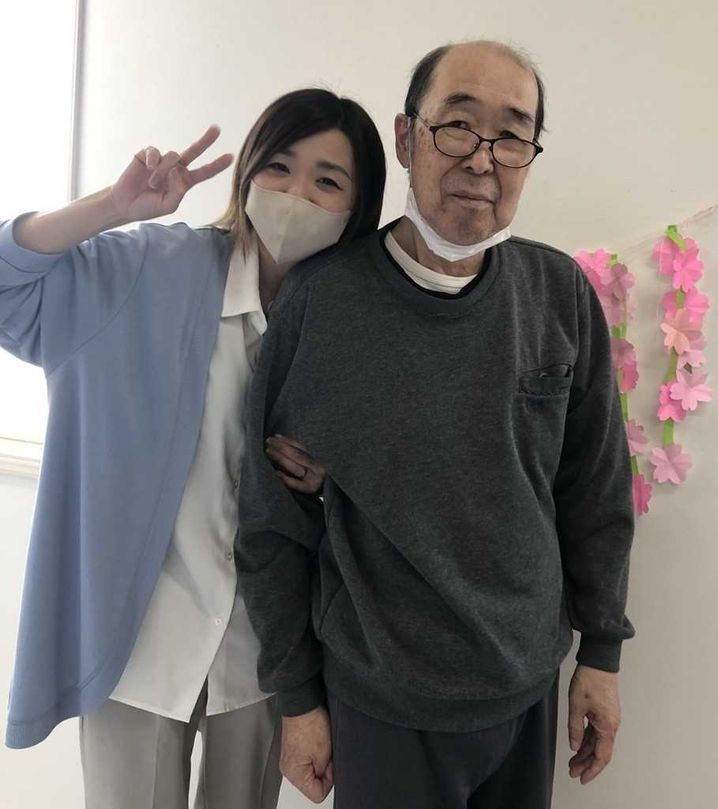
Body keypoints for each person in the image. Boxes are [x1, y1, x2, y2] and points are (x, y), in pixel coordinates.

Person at [237, 41, 634, 808]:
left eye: (512, 135)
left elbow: (595, 490)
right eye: (458, 124)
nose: (482, 158)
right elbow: (270, 520)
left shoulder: (558, 294)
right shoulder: (324, 302)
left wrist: (603, 651)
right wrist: (296, 697)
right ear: (406, 136)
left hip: (527, 688)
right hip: (381, 702)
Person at [0, 88, 386, 809]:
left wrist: (332, 481)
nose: (296, 194)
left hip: (268, 653)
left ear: (356, 209)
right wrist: (111, 208)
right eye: (279, 167)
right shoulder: (149, 269)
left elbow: (385, 481)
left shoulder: (353, 330)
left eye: (328, 180)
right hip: (139, 645)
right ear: (247, 173)